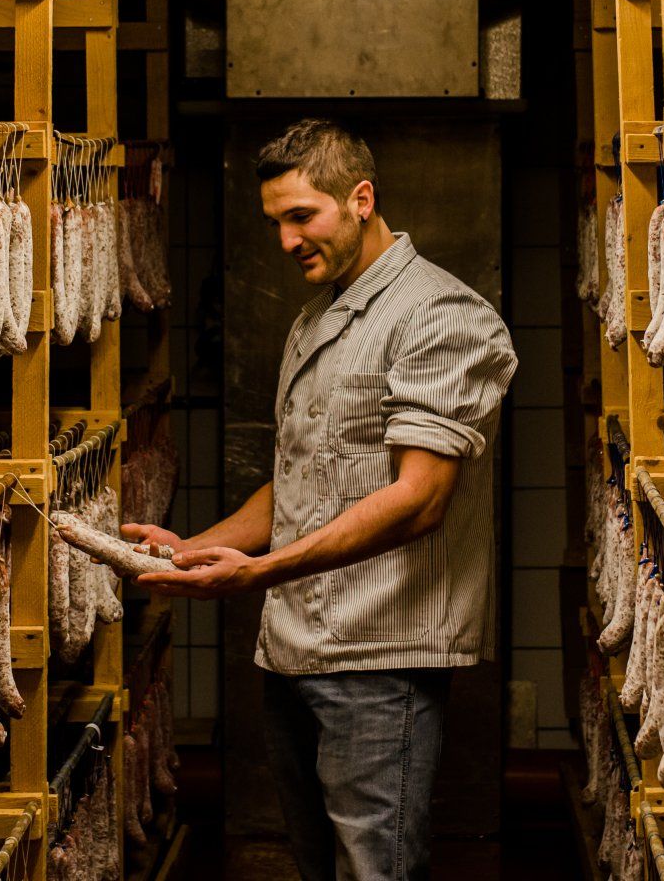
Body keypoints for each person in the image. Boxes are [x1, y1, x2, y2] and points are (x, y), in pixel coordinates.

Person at [123, 118, 517, 881]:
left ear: (361, 198)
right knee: (317, 865)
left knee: (376, 870)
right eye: (275, 222)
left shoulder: (440, 316)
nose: (286, 240)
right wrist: (204, 544)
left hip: (379, 659)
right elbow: (303, 475)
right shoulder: (320, 315)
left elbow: (420, 498)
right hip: (297, 649)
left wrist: (259, 575)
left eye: (302, 216)